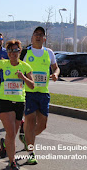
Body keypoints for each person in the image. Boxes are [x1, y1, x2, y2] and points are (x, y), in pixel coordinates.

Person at [0, 39, 34, 170]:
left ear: (19, 51)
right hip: (4, 101)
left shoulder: (26, 66)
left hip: (19, 102)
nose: (12, 53)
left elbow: (32, 86)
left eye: (15, 50)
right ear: (8, 52)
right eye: (10, 51)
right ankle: (12, 162)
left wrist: (23, 77)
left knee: (13, 134)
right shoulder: (3, 63)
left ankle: (5, 145)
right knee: (11, 133)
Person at [22, 26, 60, 165]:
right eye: (36, 34)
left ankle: (26, 137)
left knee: (42, 125)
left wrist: (55, 74)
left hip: (43, 93)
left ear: (44, 38)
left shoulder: (49, 52)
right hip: (29, 92)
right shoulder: (26, 52)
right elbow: (18, 66)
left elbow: (56, 67)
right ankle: (31, 152)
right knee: (30, 121)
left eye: (41, 34)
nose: (38, 36)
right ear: (32, 37)